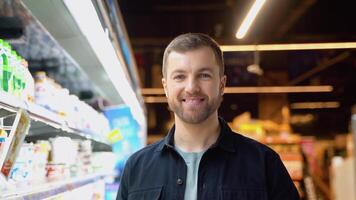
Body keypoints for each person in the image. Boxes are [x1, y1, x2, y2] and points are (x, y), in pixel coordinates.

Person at [116, 33, 300, 200]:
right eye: (180, 76)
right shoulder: (136, 168)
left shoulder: (265, 164)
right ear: (165, 87)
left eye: (204, 75)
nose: (191, 87)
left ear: (221, 85)